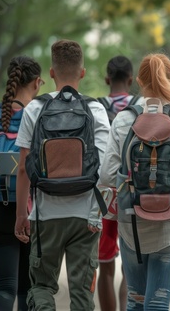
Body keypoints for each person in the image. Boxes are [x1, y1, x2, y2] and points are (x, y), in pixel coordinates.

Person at [99, 53, 170, 310]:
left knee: (135, 303)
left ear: (138, 80)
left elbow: (105, 176)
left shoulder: (124, 120)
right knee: (157, 305)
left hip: (131, 229)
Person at [14, 39, 110, 310]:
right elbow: (104, 169)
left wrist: (22, 214)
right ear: (83, 72)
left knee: (42, 286)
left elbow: (22, 167)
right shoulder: (96, 109)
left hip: (45, 216)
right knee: (81, 293)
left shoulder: (34, 108)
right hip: (85, 216)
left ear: (51, 73)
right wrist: (97, 213)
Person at [0, 56, 42, 311]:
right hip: (32, 212)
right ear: (36, 83)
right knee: (27, 291)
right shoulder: (39, 116)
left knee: (4, 289)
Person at [97, 55, 139, 311]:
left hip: (103, 193)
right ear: (132, 80)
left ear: (107, 79)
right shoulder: (139, 106)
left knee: (105, 266)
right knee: (130, 266)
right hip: (132, 191)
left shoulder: (98, 107)